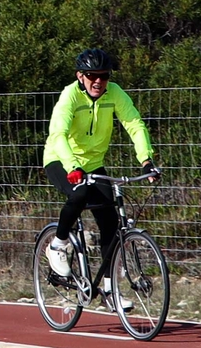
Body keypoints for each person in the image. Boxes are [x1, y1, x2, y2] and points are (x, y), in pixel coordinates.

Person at [41, 47, 157, 295]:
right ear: (80, 76)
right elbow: (58, 134)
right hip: (60, 159)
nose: (98, 81)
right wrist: (72, 166)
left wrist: (146, 160)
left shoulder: (114, 93)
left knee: (111, 223)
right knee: (79, 195)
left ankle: (109, 290)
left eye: (103, 76)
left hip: (93, 163)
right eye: (92, 75)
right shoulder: (69, 96)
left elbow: (134, 124)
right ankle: (58, 245)